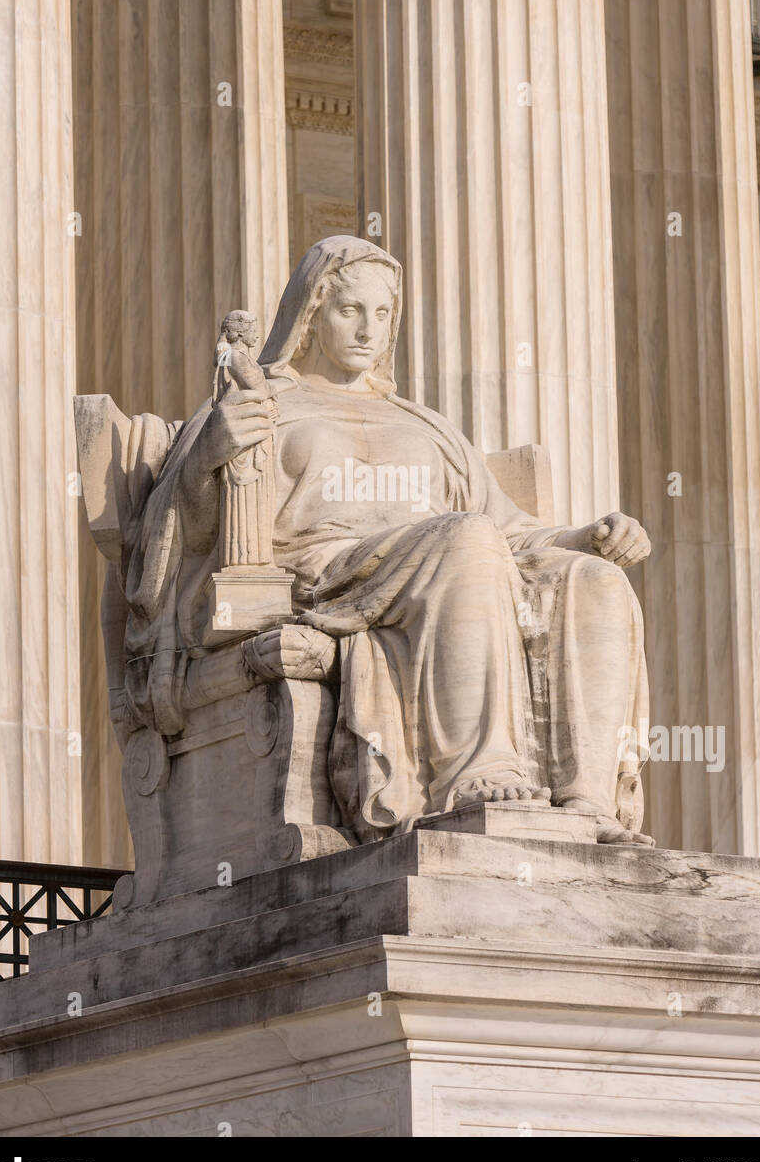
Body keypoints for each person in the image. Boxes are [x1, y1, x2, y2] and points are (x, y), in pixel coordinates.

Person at [125, 236, 653, 845]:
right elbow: (168, 542)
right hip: (325, 576)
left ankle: (586, 801)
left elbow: (513, 530)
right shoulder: (259, 402)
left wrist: (586, 537)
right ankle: (475, 775)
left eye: (381, 314)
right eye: (350, 311)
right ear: (311, 313)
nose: (368, 330)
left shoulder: (424, 424)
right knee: (467, 543)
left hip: (447, 561)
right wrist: (205, 459)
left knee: (593, 581)